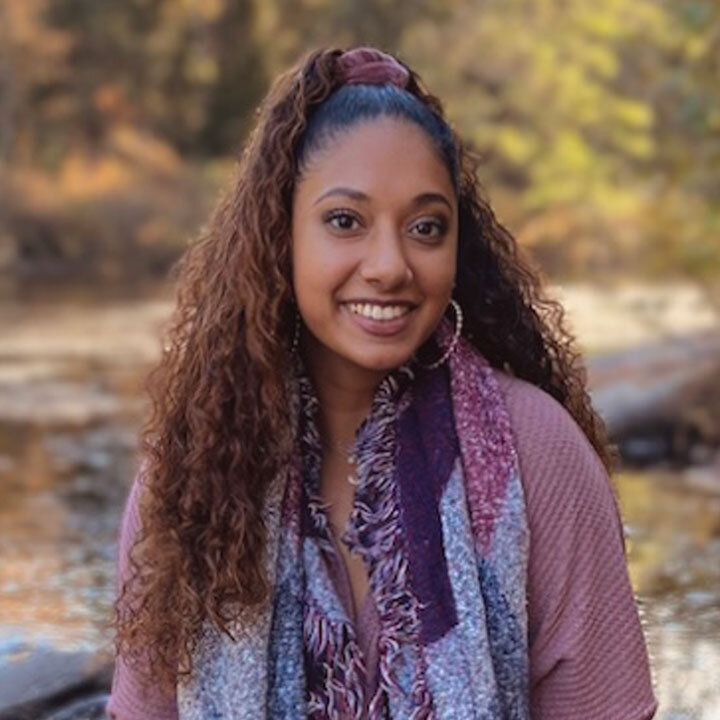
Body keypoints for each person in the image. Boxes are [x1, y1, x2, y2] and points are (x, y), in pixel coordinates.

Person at [107, 45, 658, 720]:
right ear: (281, 236)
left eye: (426, 227)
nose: (390, 265)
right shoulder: (191, 475)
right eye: (346, 221)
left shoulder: (538, 453)